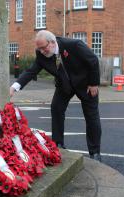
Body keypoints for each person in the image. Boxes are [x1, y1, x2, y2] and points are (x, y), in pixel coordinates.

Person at [10, 30, 102, 161]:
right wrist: (14, 88)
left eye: (43, 47)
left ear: (52, 42)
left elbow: (93, 60)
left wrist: (93, 83)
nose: (42, 51)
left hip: (86, 85)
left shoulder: (74, 45)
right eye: (39, 48)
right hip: (64, 86)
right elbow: (31, 71)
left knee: (91, 116)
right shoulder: (42, 54)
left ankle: (95, 152)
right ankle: (58, 145)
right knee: (56, 108)